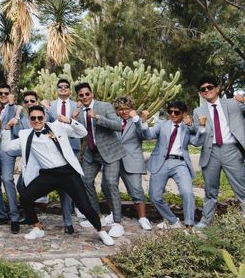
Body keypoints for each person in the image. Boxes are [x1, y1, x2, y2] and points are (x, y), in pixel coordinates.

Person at [1, 105, 115, 246]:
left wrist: (69, 121)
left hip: (68, 173)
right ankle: (37, 227)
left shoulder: (58, 127)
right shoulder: (25, 135)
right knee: (25, 197)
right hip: (48, 175)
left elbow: (83, 132)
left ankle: (101, 231)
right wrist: (7, 128)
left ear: (45, 117)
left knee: (84, 206)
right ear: (29, 119)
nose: (37, 120)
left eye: (40, 117)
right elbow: (6, 147)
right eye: (33, 118)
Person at [141, 101, 206, 229]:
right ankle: (172, 221)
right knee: (154, 196)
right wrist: (143, 122)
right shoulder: (161, 124)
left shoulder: (188, 127)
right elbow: (148, 136)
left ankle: (189, 225)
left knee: (187, 192)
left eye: (176, 112)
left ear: (184, 114)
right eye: (170, 111)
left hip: (180, 163)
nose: (172, 114)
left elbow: (196, 143)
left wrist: (202, 127)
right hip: (161, 162)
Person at [74, 82, 125, 238]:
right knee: (86, 181)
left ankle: (117, 223)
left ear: (92, 94)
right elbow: (78, 132)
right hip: (91, 153)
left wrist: (97, 117)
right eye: (81, 95)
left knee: (110, 184)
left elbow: (118, 126)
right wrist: (72, 120)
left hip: (110, 152)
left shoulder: (105, 106)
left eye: (87, 94)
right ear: (78, 97)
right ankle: (96, 217)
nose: (84, 97)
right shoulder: (79, 112)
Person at [193, 75, 245, 228]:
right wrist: (201, 127)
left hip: (232, 150)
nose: (207, 91)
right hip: (211, 152)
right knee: (210, 190)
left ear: (217, 88)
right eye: (203, 90)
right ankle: (206, 220)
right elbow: (198, 138)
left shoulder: (233, 104)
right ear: (201, 93)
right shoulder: (198, 111)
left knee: (241, 187)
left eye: (209, 87)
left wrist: (243, 100)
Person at [104, 97, 152, 230]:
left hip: (132, 160)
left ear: (132, 109)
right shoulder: (113, 121)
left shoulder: (137, 121)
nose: (124, 111)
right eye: (120, 109)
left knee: (136, 190)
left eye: (127, 108)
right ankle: (114, 213)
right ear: (117, 111)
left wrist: (138, 119)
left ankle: (142, 218)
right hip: (113, 159)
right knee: (106, 186)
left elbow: (146, 136)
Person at [44, 79, 86, 233]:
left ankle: (80, 208)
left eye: (66, 87)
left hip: (73, 148)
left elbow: (82, 127)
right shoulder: (49, 106)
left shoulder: (78, 105)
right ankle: (68, 222)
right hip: (57, 150)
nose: (63, 88)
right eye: (60, 87)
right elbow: (45, 124)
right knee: (63, 187)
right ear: (57, 89)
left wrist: (74, 118)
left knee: (76, 182)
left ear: (70, 90)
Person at [0, 84, 21, 232]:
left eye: (6, 93)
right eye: (0, 93)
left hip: (7, 148)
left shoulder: (15, 108)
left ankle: (14, 217)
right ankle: (2, 214)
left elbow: (14, 123)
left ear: (10, 95)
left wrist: (11, 103)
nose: (3, 95)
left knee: (7, 179)